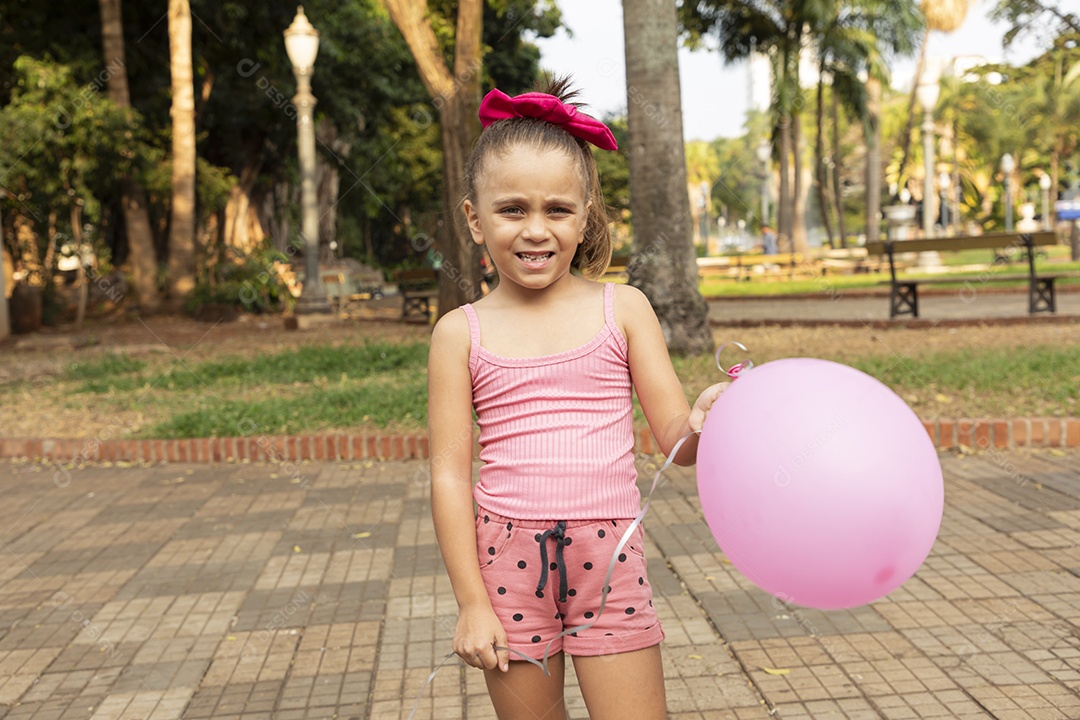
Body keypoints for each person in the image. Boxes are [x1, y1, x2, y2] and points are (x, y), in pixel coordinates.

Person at [426, 77, 728, 719]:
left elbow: (678, 442)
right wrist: (472, 603)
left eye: (558, 210)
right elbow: (450, 475)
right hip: (504, 564)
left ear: (587, 214)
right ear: (475, 219)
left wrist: (704, 422)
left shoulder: (625, 310)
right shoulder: (460, 333)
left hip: (609, 560)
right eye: (512, 210)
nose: (536, 231)